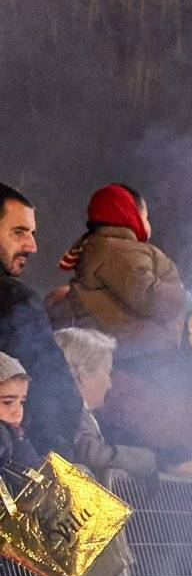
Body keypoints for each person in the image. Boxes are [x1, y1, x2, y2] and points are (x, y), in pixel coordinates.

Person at [46, 184, 192, 460]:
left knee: (187, 423)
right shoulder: (116, 249)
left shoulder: (114, 250)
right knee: (171, 427)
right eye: (145, 216)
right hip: (140, 358)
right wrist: (190, 298)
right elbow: (147, 295)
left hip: (143, 357)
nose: (148, 225)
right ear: (127, 213)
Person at [0, 183, 90, 461]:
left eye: (32, 233)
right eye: (19, 232)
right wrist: (56, 452)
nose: (32, 246)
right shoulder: (13, 298)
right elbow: (52, 385)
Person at [51, 327, 155, 486]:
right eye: (107, 372)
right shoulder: (70, 413)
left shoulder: (81, 413)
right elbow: (89, 454)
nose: (110, 383)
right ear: (82, 375)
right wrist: (145, 459)